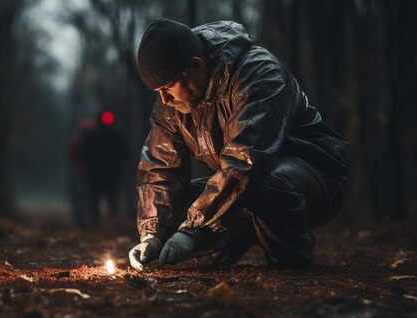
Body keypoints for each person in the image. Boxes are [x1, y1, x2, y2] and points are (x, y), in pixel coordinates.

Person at [128, 19, 349, 271]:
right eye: (157, 91)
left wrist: (193, 230)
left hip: (315, 179)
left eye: (167, 88)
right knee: (177, 207)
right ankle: (248, 230)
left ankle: (289, 266)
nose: (164, 99)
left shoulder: (260, 74)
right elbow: (159, 169)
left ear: (195, 66)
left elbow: (245, 162)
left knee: (267, 183)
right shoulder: (172, 102)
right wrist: (152, 235)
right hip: (248, 184)